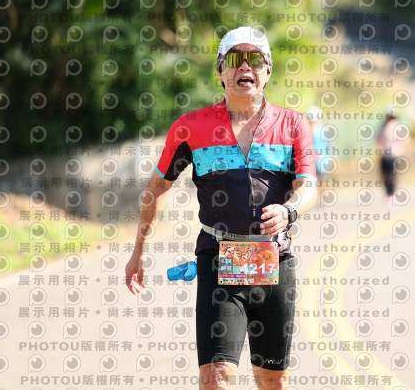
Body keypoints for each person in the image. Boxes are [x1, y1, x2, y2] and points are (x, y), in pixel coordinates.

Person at [125, 26, 318, 389]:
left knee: (272, 382)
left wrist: (289, 211)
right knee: (215, 377)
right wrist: (139, 250)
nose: (245, 66)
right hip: (218, 258)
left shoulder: (293, 125)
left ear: (268, 71)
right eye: (235, 59)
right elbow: (158, 187)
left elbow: (308, 186)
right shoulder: (190, 127)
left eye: (255, 59)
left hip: (274, 260)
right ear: (219, 70)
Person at [377, 110, 408, 207]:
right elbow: (379, 141)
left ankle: (391, 195)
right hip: (388, 155)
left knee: (391, 176)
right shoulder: (384, 127)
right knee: (388, 176)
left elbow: (405, 141)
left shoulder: (393, 127)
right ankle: (390, 195)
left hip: (393, 155)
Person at [306, 105, 331, 198]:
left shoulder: (315, 129)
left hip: (319, 160)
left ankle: (321, 197)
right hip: (319, 160)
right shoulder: (323, 128)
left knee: (319, 180)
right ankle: (321, 197)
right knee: (319, 180)